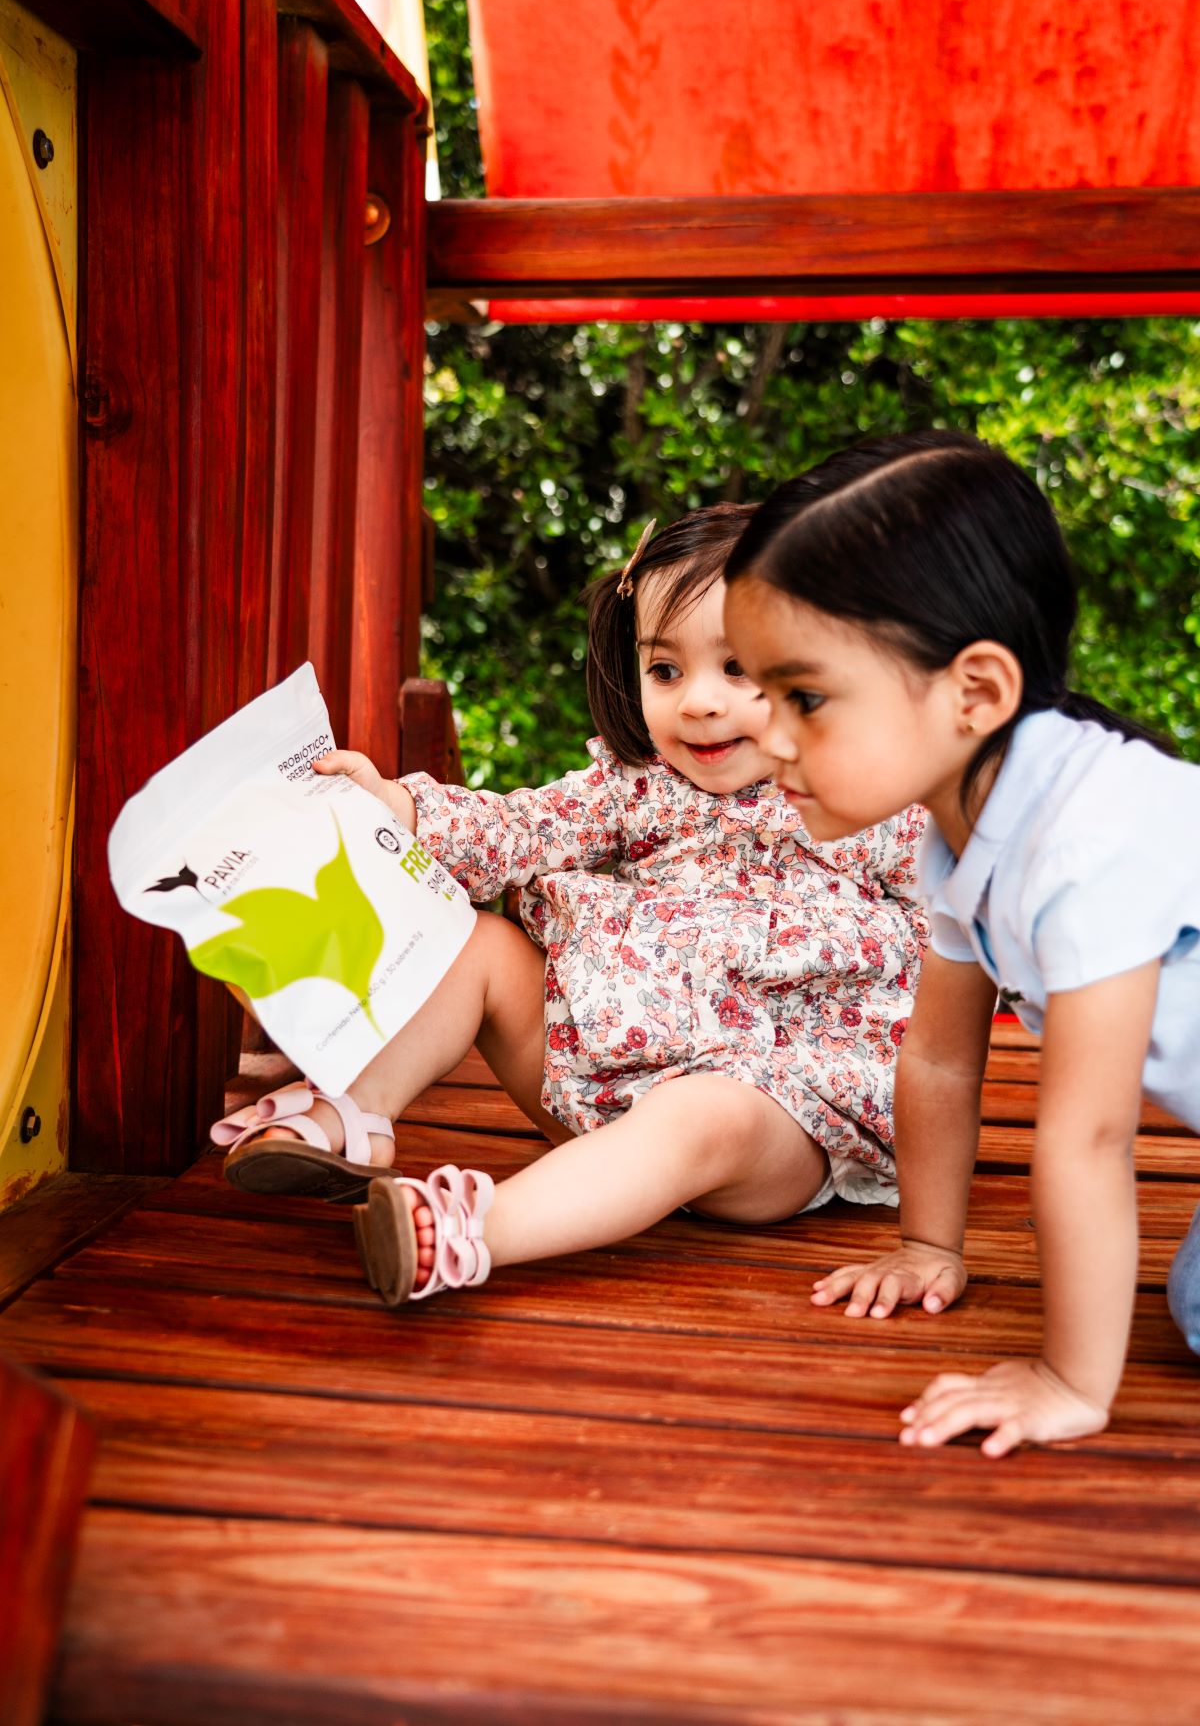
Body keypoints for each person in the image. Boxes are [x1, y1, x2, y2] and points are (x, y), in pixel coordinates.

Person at [214, 503, 925, 1303]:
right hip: (601, 1080)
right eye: (666, 670)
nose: (698, 701)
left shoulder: (875, 804)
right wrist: (402, 808)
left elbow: (967, 935)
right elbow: (522, 825)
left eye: (738, 668)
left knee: (702, 1113)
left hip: (774, 1120)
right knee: (481, 945)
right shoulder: (635, 790)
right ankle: (357, 1114)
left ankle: (465, 1234)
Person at [722, 428, 1200, 1459]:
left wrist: (1072, 1379)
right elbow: (940, 1055)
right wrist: (930, 1246)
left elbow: (1090, 1137)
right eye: (763, 694)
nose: (768, 736)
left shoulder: (1091, 837)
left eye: (803, 696)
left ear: (976, 692)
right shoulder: (964, 829)